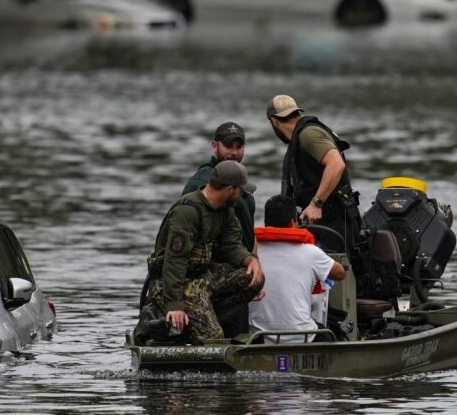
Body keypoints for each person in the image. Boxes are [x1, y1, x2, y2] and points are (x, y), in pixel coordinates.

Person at [141, 160, 264, 344]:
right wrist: (175, 305)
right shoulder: (188, 212)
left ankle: (204, 314)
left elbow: (232, 246)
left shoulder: (226, 210)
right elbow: (175, 261)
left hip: (203, 277)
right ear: (230, 189)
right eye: (241, 190)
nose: (242, 195)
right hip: (179, 284)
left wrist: (251, 260)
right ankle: (175, 323)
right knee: (213, 339)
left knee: (254, 278)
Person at [182, 122, 258, 337]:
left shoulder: (239, 180)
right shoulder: (201, 184)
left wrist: (252, 261)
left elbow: (243, 232)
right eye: (228, 146)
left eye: (239, 146)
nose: (234, 152)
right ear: (214, 146)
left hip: (235, 271)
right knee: (219, 335)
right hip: (211, 274)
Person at [266, 94, 361, 254]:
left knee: (333, 276)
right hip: (325, 222)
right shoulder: (299, 138)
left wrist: (316, 204)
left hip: (336, 222)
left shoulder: (308, 134)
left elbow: (336, 164)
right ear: (297, 113)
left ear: (273, 121)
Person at [249, 195, 346, 343]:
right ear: (293, 222)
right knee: (332, 333)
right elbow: (340, 273)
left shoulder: (252, 253)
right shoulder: (310, 252)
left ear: (266, 223)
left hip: (259, 338)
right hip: (302, 336)